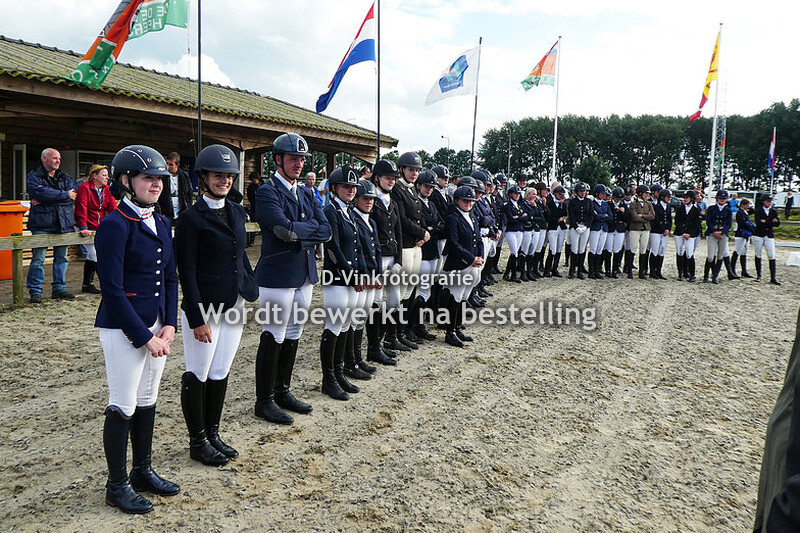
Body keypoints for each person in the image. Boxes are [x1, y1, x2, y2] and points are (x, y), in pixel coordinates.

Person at [94, 145, 180, 514]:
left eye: (159, 178)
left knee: (147, 399)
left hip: (157, 324)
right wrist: (144, 336)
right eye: (147, 178)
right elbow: (112, 291)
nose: (156, 184)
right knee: (123, 403)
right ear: (126, 181)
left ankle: (142, 470)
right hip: (123, 328)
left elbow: (171, 277)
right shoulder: (114, 225)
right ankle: (116, 485)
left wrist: (170, 323)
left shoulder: (161, 222)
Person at [174, 145, 258, 466]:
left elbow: (240, 255)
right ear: (204, 178)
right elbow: (187, 271)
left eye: (229, 176)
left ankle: (213, 433)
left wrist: (249, 284)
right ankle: (197, 441)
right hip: (205, 308)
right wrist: (197, 317)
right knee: (199, 372)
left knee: (221, 370)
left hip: (233, 303)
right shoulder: (190, 219)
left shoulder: (237, 212)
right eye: (217, 176)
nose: (224, 181)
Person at [253, 133, 332, 425]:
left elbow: (326, 229)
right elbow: (282, 230)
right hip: (278, 273)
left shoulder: (307, 192)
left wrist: (301, 230)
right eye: (292, 159)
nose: (298, 164)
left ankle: (282, 391)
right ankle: (264, 401)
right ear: (278, 159)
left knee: (295, 330)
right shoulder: (267, 191)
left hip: (304, 271)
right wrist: (308, 229)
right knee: (274, 332)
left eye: (301, 159)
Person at [319, 165, 369, 400]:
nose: (351, 190)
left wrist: (362, 273)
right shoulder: (331, 211)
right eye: (346, 186)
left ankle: (339, 373)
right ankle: (328, 378)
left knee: (346, 324)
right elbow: (333, 248)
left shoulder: (348, 211)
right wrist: (352, 275)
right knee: (334, 325)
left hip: (352, 277)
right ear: (335, 188)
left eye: (353, 187)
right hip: (337, 278)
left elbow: (357, 248)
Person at [26, 148, 77, 303]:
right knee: (38, 259)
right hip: (41, 224)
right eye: (55, 158)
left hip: (63, 223)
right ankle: (35, 291)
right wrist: (64, 195)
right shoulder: (34, 176)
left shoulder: (65, 177)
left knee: (62, 258)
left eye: (59, 158)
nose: (58, 161)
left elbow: (72, 196)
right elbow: (38, 193)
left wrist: (48, 198)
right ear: (44, 159)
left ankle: (59, 289)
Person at [352, 178, 394, 368]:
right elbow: (359, 251)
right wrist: (366, 274)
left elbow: (377, 250)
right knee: (355, 319)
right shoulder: (354, 219)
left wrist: (377, 273)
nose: (369, 202)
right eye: (365, 198)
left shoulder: (371, 222)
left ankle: (362, 356)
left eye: (371, 199)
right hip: (361, 275)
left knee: (363, 316)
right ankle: (353, 360)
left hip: (373, 274)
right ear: (356, 199)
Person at [367, 159, 405, 360]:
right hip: (378, 258)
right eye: (387, 178)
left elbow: (398, 233)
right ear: (377, 178)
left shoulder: (394, 203)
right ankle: (374, 346)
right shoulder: (372, 201)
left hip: (392, 258)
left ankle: (389, 338)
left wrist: (399, 260)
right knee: (375, 302)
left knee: (394, 300)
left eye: (393, 178)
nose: (391, 181)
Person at [391, 152, 430, 347]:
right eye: (410, 170)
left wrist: (422, 234)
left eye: (416, 170)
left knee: (409, 290)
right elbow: (402, 219)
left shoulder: (412, 190)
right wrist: (421, 232)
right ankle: (394, 335)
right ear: (402, 170)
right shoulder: (397, 190)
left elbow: (419, 214)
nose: (414, 173)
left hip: (416, 244)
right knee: (400, 292)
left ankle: (404, 330)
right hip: (405, 245)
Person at [441, 185, 483, 348]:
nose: (468, 204)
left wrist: (480, 257)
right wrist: (471, 258)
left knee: (464, 297)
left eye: (471, 201)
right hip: (458, 263)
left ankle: (458, 327)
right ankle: (450, 332)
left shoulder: (472, 217)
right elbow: (454, 243)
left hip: (473, 263)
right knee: (456, 296)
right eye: (465, 201)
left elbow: (478, 239)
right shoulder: (453, 218)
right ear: (457, 200)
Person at [74, 164, 118, 294]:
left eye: (107, 175)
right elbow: (81, 208)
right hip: (85, 225)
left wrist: (118, 224)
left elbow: (113, 208)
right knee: (96, 255)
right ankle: (107, 285)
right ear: (95, 176)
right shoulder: (84, 188)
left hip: (99, 226)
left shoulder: (107, 190)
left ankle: (87, 284)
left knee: (92, 255)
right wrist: (83, 226)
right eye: (104, 175)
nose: (107, 178)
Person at [415, 169, 445, 340]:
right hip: (423, 252)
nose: (429, 189)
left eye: (431, 187)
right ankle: (415, 325)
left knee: (426, 290)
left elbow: (441, 225)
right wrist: (432, 228)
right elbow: (423, 227)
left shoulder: (431, 205)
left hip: (433, 250)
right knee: (421, 290)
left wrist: (432, 228)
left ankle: (418, 324)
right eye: (426, 186)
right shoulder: (417, 204)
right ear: (418, 186)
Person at [704, 189, 735, 284]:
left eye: (724, 198)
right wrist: (714, 231)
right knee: (710, 256)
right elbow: (708, 221)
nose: (722, 199)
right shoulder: (711, 208)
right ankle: (706, 275)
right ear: (717, 198)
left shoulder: (728, 210)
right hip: (712, 233)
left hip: (723, 235)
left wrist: (722, 232)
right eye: (720, 198)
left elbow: (729, 224)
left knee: (720, 256)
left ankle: (715, 276)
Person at [752, 194, 782, 285]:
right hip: (758, 234)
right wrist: (771, 221)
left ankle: (773, 277)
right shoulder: (758, 211)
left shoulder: (774, 211)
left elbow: (778, 223)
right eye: (767, 201)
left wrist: (766, 221)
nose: (769, 203)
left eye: (770, 201)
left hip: (769, 235)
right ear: (763, 201)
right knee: (758, 254)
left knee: (771, 255)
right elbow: (758, 222)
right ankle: (759, 275)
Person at [158, 152, 194, 224]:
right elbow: (158, 195)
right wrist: (160, 212)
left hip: (181, 212)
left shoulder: (184, 176)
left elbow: (189, 194)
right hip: (166, 213)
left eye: (171, 164)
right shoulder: (162, 176)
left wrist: (188, 210)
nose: (168, 166)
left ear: (177, 165)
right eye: (167, 163)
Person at [673, 190, 702, 282]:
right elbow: (677, 222)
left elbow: (696, 224)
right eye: (684, 198)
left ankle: (692, 274)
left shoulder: (696, 210)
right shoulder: (680, 209)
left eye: (687, 198)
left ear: (692, 199)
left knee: (689, 253)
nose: (685, 199)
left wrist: (690, 233)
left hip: (690, 235)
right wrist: (683, 232)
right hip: (679, 233)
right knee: (679, 252)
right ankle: (680, 273)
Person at [567, 182, 593, 279]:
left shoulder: (589, 201)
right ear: (577, 192)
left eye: (584, 191)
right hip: (575, 226)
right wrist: (575, 226)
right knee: (574, 248)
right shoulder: (572, 202)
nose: (582, 193)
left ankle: (580, 271)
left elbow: (591, 215)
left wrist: (587, 226)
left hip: (585, 226)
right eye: (581, 191)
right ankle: (572, 270)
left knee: (582, 248)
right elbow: (571, 215)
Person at [629, 185, 655, 279]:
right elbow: (634, 217)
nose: (647, 195)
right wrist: (646, 217)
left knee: (643, 250)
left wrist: (642, 216)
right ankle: (629, 271)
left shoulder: (649, 203)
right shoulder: (633, 204)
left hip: (646, 229)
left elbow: (652, 216)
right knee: (633, 249)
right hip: (635, 228)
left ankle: (641, 272)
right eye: (645, 193)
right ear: (640, 193)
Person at [502, 185, 526, 283]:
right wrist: (520, 217)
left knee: (515, 252)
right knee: (514, 252)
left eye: (518, 194)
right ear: (510, 194)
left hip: (519, 230)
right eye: (515, 194)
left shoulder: (519, 206)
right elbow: (511, 219)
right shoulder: (508, 206)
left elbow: (526, 217)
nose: (517, 196)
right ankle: (513, 274)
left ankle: (507, 273)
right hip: (511, 230)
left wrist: (518, 217)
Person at [588, 184, 612, 280]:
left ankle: (597, 270)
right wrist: (604, 216)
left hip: (604, 228)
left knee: (600, 249)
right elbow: (593, 216)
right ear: (597, 193)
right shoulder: (592, 203)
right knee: (593, 249)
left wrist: (600, 215)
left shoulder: (606, 204)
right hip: (595, 228)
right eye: (602, 193)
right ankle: (591, 271)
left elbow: (610, 217)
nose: (604, 195)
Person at [544, 185, 568, 277]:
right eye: (559, 194)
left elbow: (565, 214)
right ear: (555, 194)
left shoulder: (563, 204)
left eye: (562, 194)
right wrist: (557, 219)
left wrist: (562, 205)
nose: (561, 196)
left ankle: (555, 269)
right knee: (552, 249)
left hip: (561, 228)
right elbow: (548, 217)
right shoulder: (549, 204)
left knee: (559, 249)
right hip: (553, 227)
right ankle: (547, 269)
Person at [649, 189, 672, 280]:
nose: (669, 199)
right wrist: (663, 229)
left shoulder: (668, 207)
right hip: (656, 231)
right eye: (668, 197)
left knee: (662, 250)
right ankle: (652, 271)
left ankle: (659, 271)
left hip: (665, 233)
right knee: (655, 250)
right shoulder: (656, 207)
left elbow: (670, 220)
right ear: (662, 197)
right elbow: (656, 220)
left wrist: (668, 229)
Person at [605, 187, 629, 279]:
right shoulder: (608, 204)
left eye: (619, 198)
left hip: (620, 229)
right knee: (608, 249)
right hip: (610, 228)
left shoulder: (624, 205)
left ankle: (615, 270)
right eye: (616, 198)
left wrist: (623, 212)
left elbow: (628, 218)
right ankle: (607, 270)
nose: (617, 200)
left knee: (617, 250)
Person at [731, 198, 755, 278]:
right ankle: (732, 270)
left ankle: (744, 271)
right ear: (742, 205)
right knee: (737, 251)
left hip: (746, 234)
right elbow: (743, 223)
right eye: (747, 205)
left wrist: (751, 207)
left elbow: (753, 211)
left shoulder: (745, 212)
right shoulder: (740, 213)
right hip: (741, 234)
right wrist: (752, 230)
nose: (748, 206)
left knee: (744, 252)